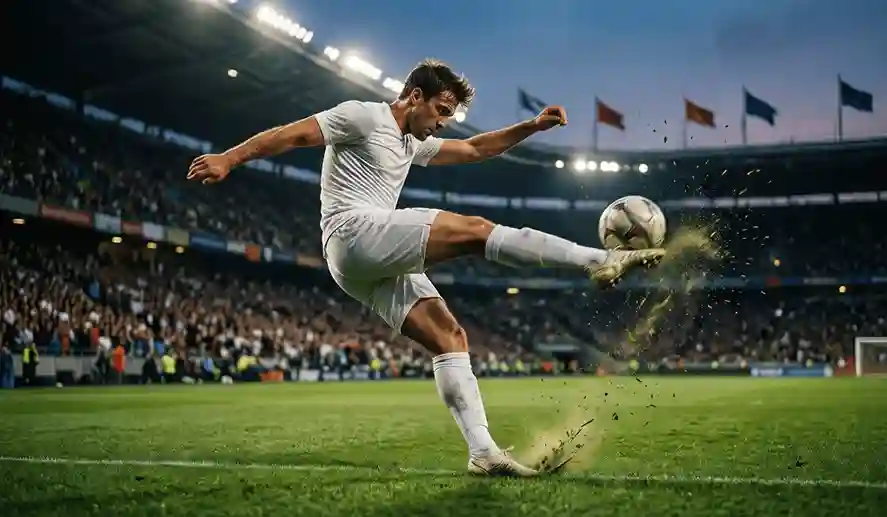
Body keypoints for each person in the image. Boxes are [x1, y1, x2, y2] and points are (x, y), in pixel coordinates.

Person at [187, 59, 665, 477]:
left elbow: (476, 149)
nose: (442, 123)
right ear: (414, 96)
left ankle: (483, 453)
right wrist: (230, 158)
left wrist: (531, 128)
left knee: (449, 337)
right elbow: (291, 135)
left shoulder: (411, 142)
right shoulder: (362, 116)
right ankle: (600, 261)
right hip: (351, 232)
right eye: (440, 111)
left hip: (359, 263)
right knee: (476, 230)